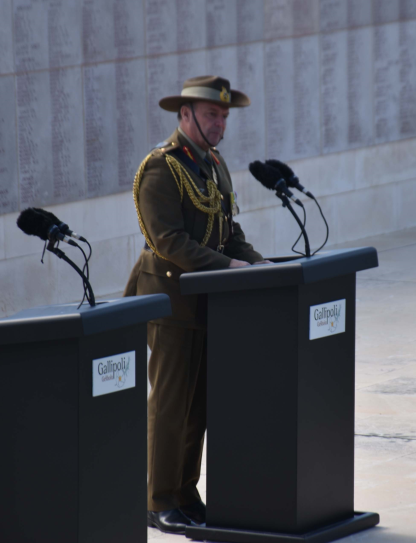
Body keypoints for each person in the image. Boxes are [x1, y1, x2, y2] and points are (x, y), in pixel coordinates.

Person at [124, 75, 268, 534]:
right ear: (184, 115)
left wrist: (259, 264)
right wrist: (229, 267)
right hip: (168, 301)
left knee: (200, 405)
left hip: (209, 301)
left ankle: (186, 492)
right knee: (170, 405)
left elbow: (228, 230)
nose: (220, 123)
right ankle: (158, 498)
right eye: (211, 114)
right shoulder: (160, 168)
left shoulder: (214, 165)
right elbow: (169, 241)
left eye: (224, 116)